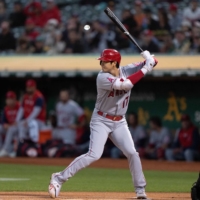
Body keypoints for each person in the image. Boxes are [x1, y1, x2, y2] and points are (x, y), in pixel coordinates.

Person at [48, 49, 158, 199]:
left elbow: (154, 62)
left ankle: (140, 191)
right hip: (101, 120)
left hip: (119, 121)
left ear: (114, 63)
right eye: (102, 60)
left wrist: (148, 58)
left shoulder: (126, 69)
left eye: (105, 61)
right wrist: (146, 67)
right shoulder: (102, 77)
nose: (101, 63)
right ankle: (58, 178)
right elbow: (126, 85)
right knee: (94, 155)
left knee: (132, 153)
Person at [16, 79, 46, 144]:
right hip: (28, 120)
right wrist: (17, 121)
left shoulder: (39, 97)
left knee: (27, 125)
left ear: (34, 87)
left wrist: (27, 121)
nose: (29, 89)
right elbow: (21, 109)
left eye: (30, 87)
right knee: (17, 126)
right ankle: (20, 146)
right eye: (28, 87)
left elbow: (35, 112)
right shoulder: (25, 96)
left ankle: (29, 145)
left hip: (38, 121)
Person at [0, 91, 20, 157]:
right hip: (10, 127)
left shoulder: (19, 106)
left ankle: (5, 150)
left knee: (11, 129)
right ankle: (1, 149)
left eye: (11, 99)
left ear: (14, 99)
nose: (9, 101)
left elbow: (23, 118)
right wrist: (5, 124)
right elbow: (3, 121)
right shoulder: (6, 109)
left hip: (18, 128)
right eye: (8, 99)